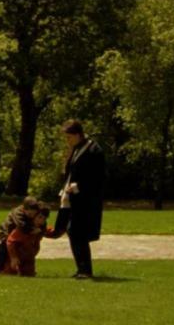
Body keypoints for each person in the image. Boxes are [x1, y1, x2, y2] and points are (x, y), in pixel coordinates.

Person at [57, 119, 106, 279]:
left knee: (77, 232)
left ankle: (85, 270)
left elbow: (98, 177)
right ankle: (83, 269)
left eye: (69, 137)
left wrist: (79, 186)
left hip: (87, 200)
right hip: (75, 198)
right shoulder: (77, 149)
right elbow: (72, 172)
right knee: (74, 232)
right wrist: (66, 187)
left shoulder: (94, 150)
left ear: (78, 135)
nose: (67, 141)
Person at [0, 196, 41, 275]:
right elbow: (21, 224)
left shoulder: (35, 212)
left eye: (33, 214)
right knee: (2, 248)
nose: (31, 215)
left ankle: (23, 269)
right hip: (6, 232)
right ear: (24, 209)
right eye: (29, 213)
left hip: (19, 234)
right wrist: (32, 229)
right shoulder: (18, 212)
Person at [3, 205, 52, 277]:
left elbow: (50, 232)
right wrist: (13, 257)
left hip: (29, 257)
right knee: (10, 273)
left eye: (44, 219)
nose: (41, 221)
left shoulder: (40, 229)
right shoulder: (23, 228)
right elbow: (10, 242)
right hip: (16, 256)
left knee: (29, 274)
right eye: (39, 217)